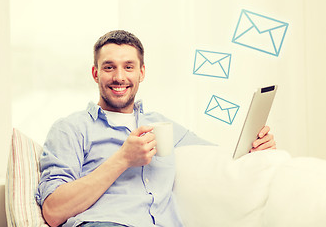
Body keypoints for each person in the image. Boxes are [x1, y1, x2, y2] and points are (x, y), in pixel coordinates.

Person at [35, 30, 276, 227]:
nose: (119, 77)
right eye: (109, 67)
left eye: (128, 67)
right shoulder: (70, 128)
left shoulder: (161, 126)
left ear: (141, 73)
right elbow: (54, 211)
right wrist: (122, 159)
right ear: (95, 73)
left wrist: (255, 149)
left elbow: (222, 158)